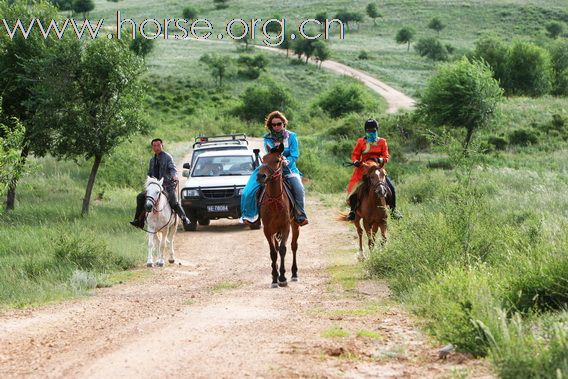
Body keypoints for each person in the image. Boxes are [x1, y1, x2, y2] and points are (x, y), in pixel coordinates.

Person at [240, 111, 308, 226]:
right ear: (270, 126)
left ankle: (300, 215)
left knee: (299, 189)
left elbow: (294, 154)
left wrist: (287, 161)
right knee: (248, 191)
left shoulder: (292, 136)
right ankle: (253, 216)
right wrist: (279, 158)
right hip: (271, 168)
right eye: (273, 125)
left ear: (284, 124)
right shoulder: (267, 138)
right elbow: (271, 151)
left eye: (279, 124)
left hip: (289, 169)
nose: (276, 126)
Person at [347, 118, 403, 221]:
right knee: (354, 190)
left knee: (391, 187)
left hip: (378, 170)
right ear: (365, 131)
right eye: (368, 131)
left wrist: (379, 159)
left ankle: (393, 210)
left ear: (376, 130)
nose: (371, 132)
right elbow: (355, 155)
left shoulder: (382, 142)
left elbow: (386, 156)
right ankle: (353, 211)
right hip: (363, 170)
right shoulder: (360, 142)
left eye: (373, 130)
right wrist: (355, 161)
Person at [130, 138, 192, 229]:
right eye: (154, 146)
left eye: (158, 145)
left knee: (174, 202)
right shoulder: (152, 160)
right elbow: (150, 174)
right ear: (152, 147)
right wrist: (149, 183)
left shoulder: (168, 157)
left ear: (162, 146)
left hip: (167, 186)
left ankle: (184, 218)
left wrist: (174, 176)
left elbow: (172, 169)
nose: (156, 147)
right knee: (141, 197)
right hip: (154, 187)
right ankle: (139, 220)